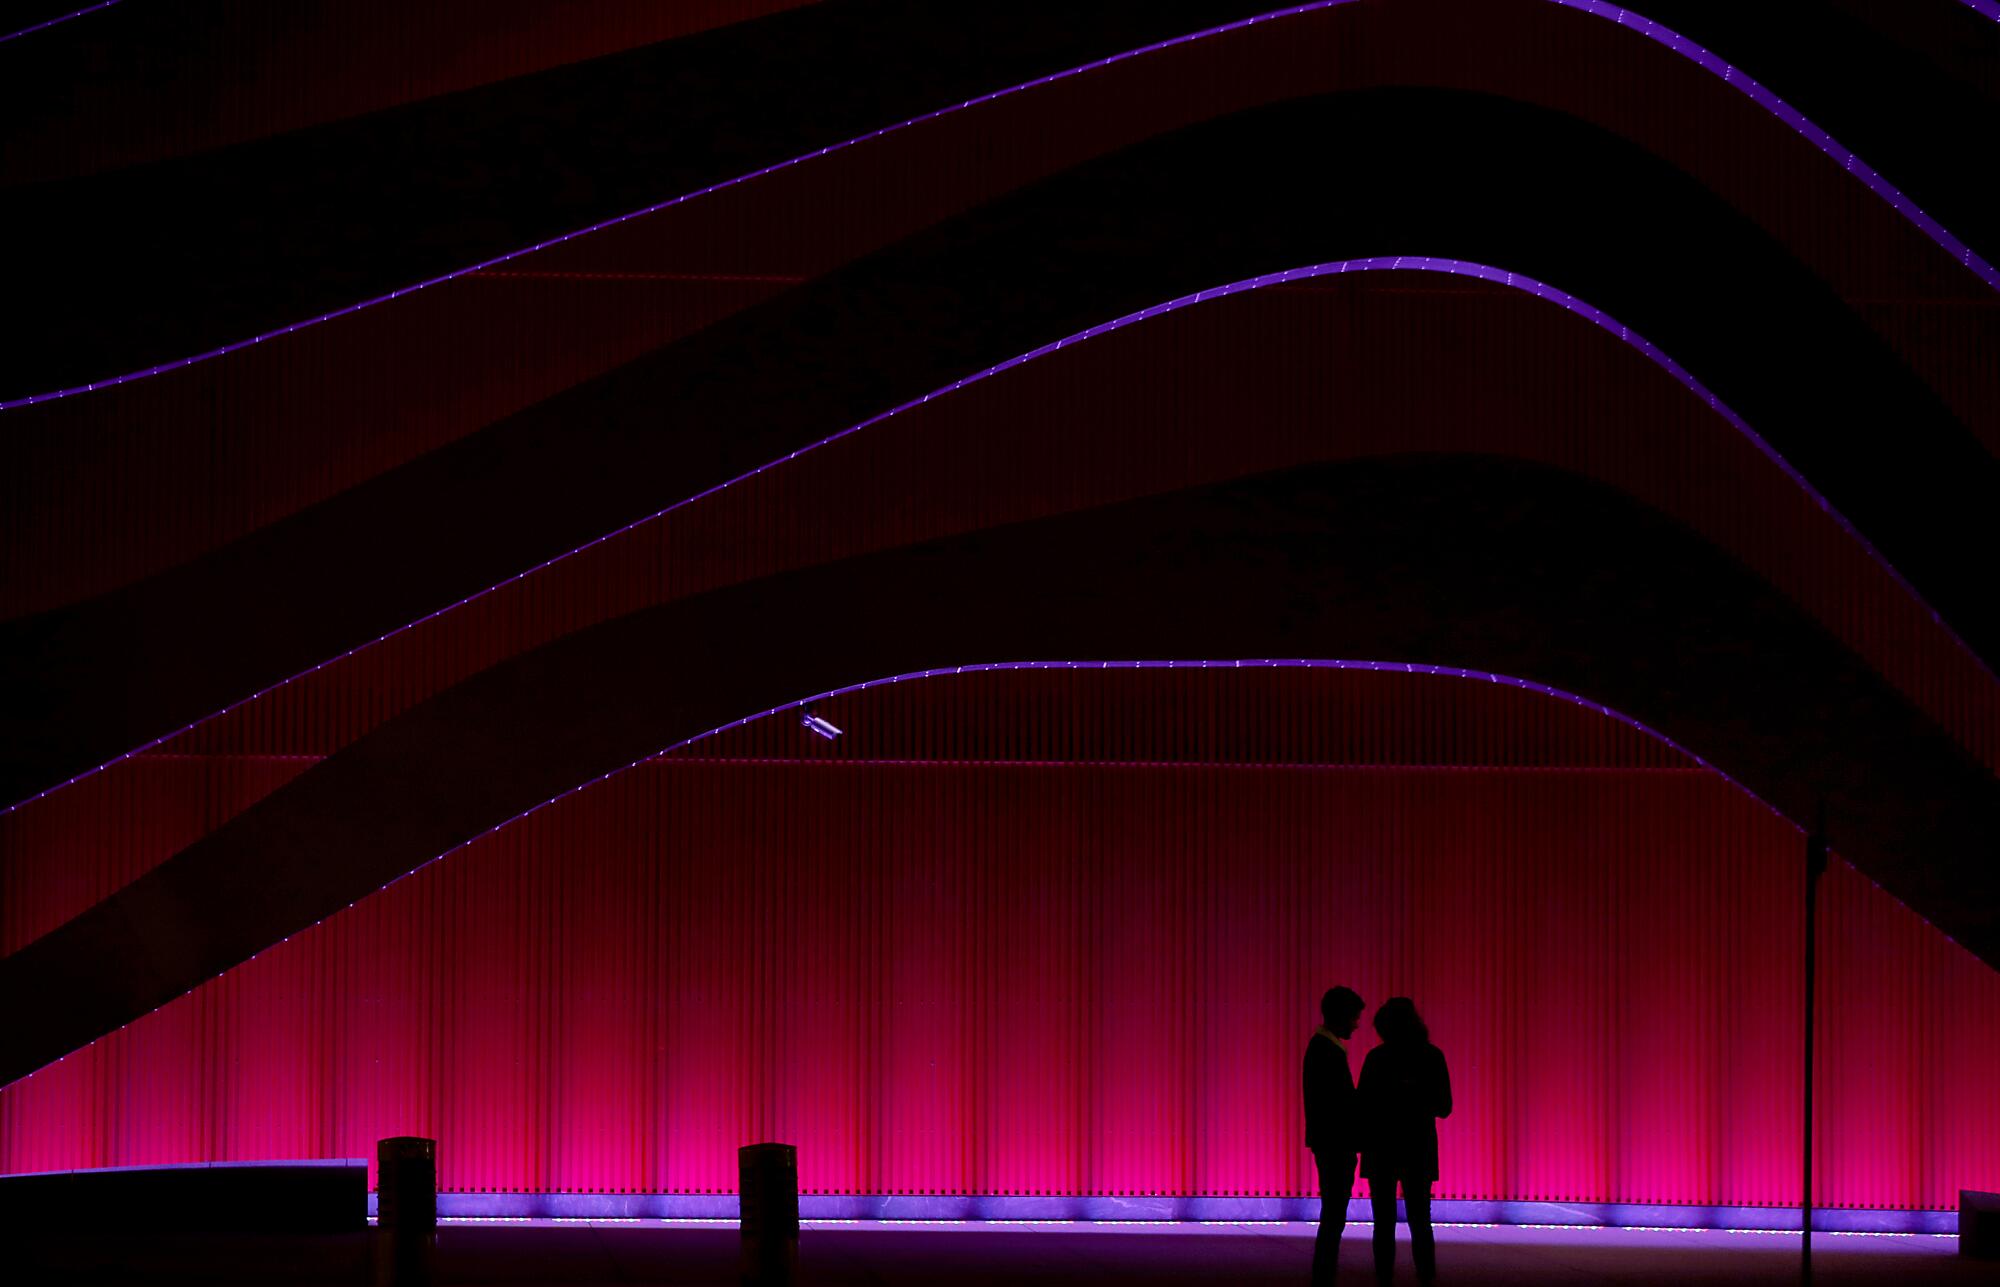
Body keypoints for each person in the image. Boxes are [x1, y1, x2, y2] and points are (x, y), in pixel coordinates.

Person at [1358, 997, 1452, 1285]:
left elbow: (1362, 1104)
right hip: (1418, 1148)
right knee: (1420, 1220)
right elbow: (1444, 1107)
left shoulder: (1376, 1058)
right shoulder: (1432, 1056)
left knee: (1383, 1223)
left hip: (1381, 1148)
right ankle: (1426, 1276)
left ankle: (1383, 1277)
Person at [1303, 985, 1365, 1285]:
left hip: (1327, 1141)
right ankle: (1324, 1274)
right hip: (1335, 1143)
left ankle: (1324, 1272)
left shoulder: (1321, 1047)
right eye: (1354, 1017)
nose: (1357, 1023)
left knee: (1333, 1211)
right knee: (1334, 1212)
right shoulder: (1327, 1051)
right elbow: (1340, 1102)